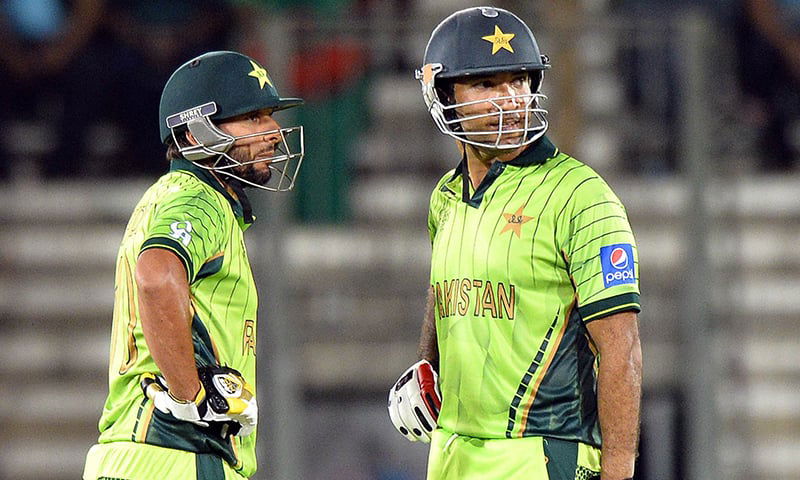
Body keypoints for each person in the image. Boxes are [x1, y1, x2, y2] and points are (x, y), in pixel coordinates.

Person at [387, 7, 642, 480]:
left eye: (519, 81)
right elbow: (443, 288)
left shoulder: (582, 196)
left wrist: (619, 471)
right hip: (451, 448)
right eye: (486, 84)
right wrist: (426, 364)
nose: (509, 98)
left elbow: (621, 348)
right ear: (443, 95)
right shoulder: (445, 195)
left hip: (540, 452)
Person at [83, 50, 305, 480]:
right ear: (193, 135)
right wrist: (191, 396)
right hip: (179, 454)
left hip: (135, 453)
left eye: (270, 116)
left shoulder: (164, 196)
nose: (274, 132)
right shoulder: (201, 200)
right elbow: (156, 276)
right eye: (253, 118)